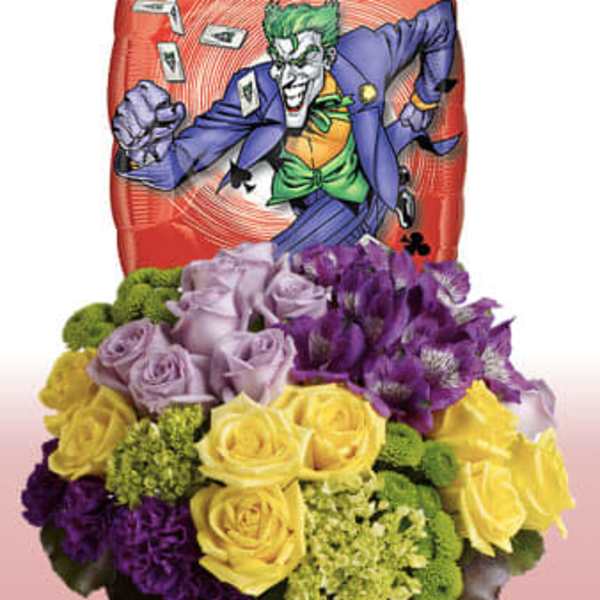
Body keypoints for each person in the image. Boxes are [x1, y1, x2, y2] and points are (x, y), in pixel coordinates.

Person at [113, 0, 460, 255]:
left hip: (356, 189)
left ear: (327, 57)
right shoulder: (257, 88)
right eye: (280, 62)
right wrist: (142, 152)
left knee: (271, 265)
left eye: (302, 62)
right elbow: (189, 155)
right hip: (304, 198)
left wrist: (424, 102)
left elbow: (440, 21)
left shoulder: (369, 54)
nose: (288, 78)